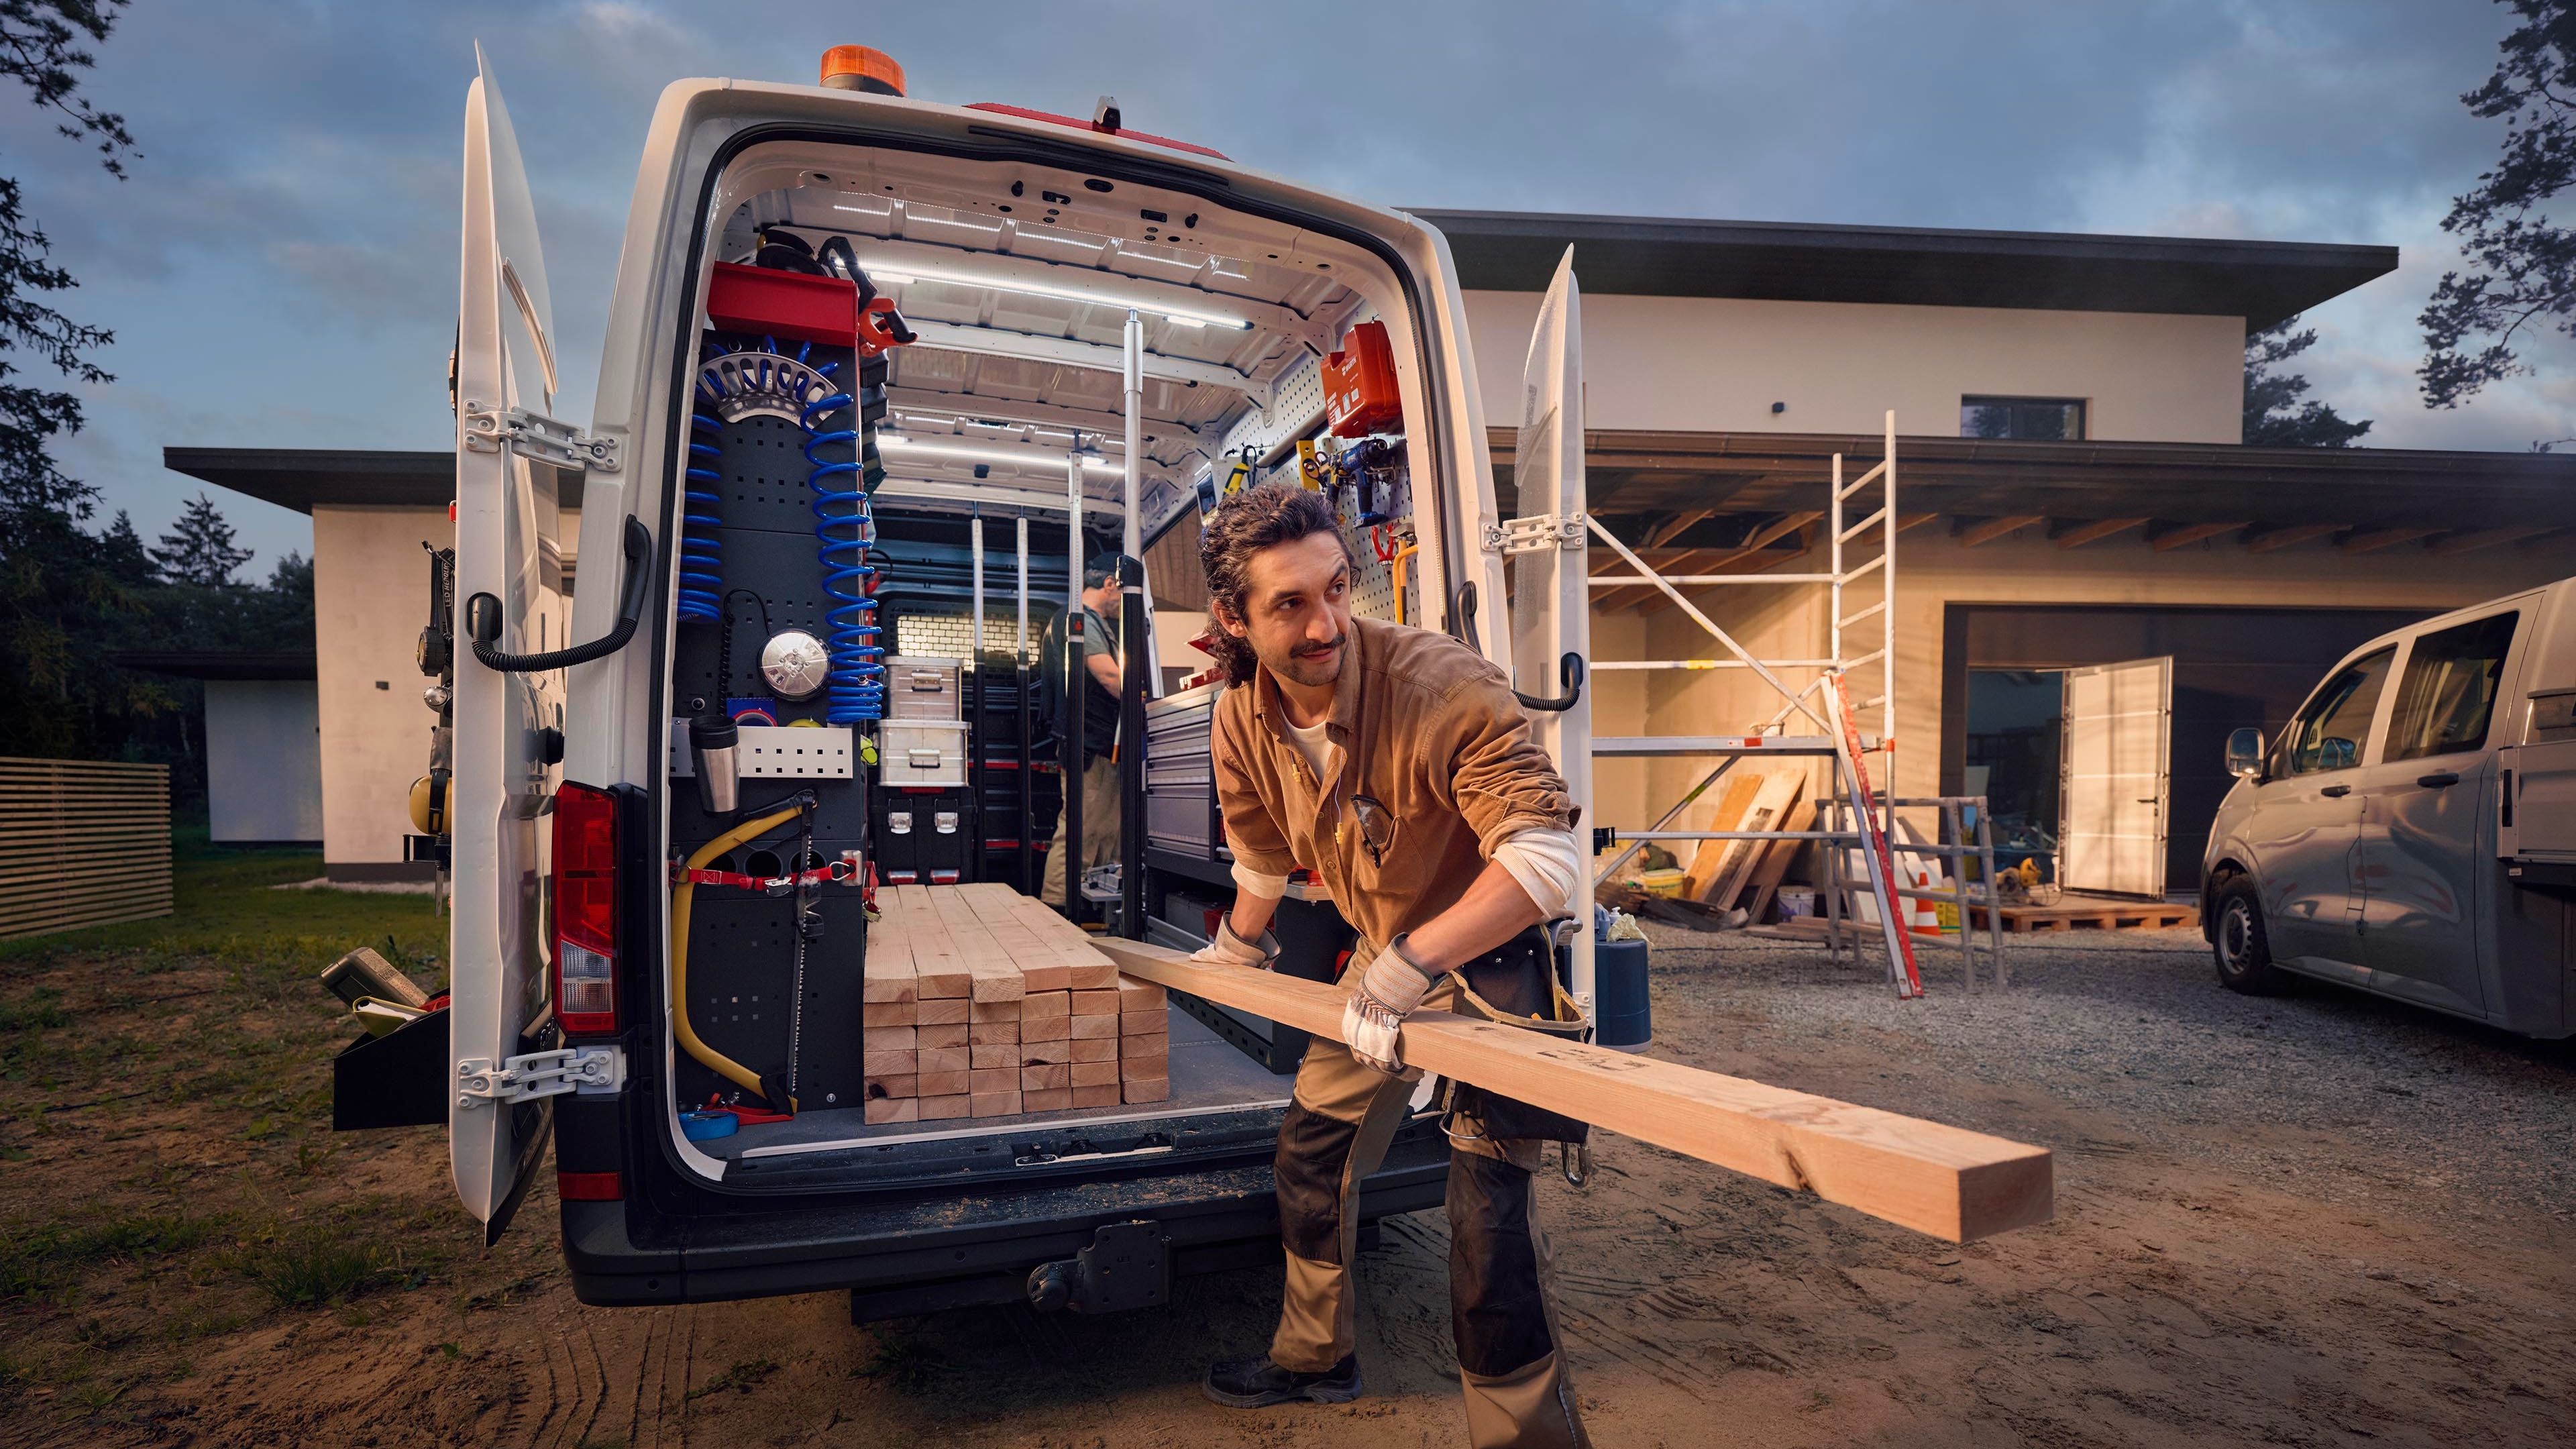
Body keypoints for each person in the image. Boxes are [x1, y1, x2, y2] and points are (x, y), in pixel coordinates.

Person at [1191, 484, 1591, 1448]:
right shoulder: (1240, 718)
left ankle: (1523, 1437)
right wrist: (1236, 952)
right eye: (1290, 604)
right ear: (1234, 619)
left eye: (1337, 589)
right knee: (1310, 1152)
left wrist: (1410, 965)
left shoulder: (1439, 685)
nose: (1326, 624)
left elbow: (1546, 862)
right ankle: (1315, 1358)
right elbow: (1261, 860)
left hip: (1488, 953)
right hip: (1384, 954)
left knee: (1485, 1221)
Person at [1039, 554, 1133, 908]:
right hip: (1088, 745)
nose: (1123, 605)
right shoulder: (1077, 620)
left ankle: (1093, 911)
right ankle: (1056, 911)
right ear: (1110, 584)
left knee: (1106, 832)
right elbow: (1108, 676)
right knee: (1081, 832)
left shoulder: (1091, 622)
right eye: (1122, 593)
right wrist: (1147, 700)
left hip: (1099, 744)